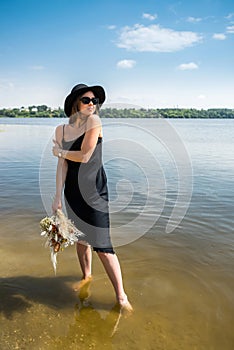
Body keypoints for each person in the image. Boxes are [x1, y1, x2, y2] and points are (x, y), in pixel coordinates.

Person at [52, 83, 132, 312]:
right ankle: (86, 277)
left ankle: (121, 297)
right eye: (86, 100)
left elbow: (85, 155)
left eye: (94, 101)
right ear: (75, 102)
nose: (91, 104)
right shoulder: (61, 130)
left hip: (95, 192)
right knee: (81, 239)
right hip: (73, 193)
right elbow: (62, 166)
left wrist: (60, 152)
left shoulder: (94, 123)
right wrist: (57, 196)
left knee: (104, 247)